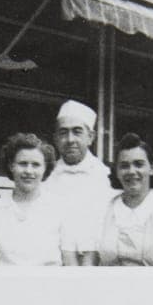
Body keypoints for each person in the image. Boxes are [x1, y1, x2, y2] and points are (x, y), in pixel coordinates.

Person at [0, 133, 65, 265]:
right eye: (23, 164)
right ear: (11, 166)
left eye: (36, 165)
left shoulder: (59, 210)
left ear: (45, 168)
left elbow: (69, 264)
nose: (29, 171)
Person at [46, 99, 112, 264]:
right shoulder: (45, 177)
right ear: (55, 138)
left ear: (91, 137)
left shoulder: (106, 177)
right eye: (63, 132)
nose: (70, 139)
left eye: (77, 132)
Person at [92, 134, 153, 267]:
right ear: (116, 171)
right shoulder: (104, 209)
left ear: (152, 168)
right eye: (124, 166)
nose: (131, 171)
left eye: (138, 164)